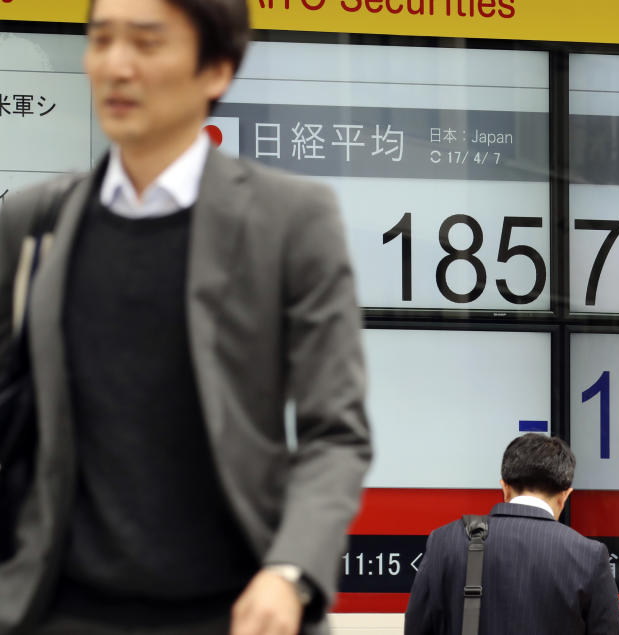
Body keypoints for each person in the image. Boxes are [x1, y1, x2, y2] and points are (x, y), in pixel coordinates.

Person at [0, 0, 371, 633]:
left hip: (232, 611)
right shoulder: (34, 223)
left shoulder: (292, 220)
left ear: (217, 70)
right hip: (57, 609)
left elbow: (334, 434)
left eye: (146, 43)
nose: (116, 66)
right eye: (101, 40)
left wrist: (289, 572)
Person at [404, 434, 619, 635]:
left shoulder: (445, 541)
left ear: (505, 487)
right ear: (565, 495)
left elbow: (417, 628)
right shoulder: (589, 556)